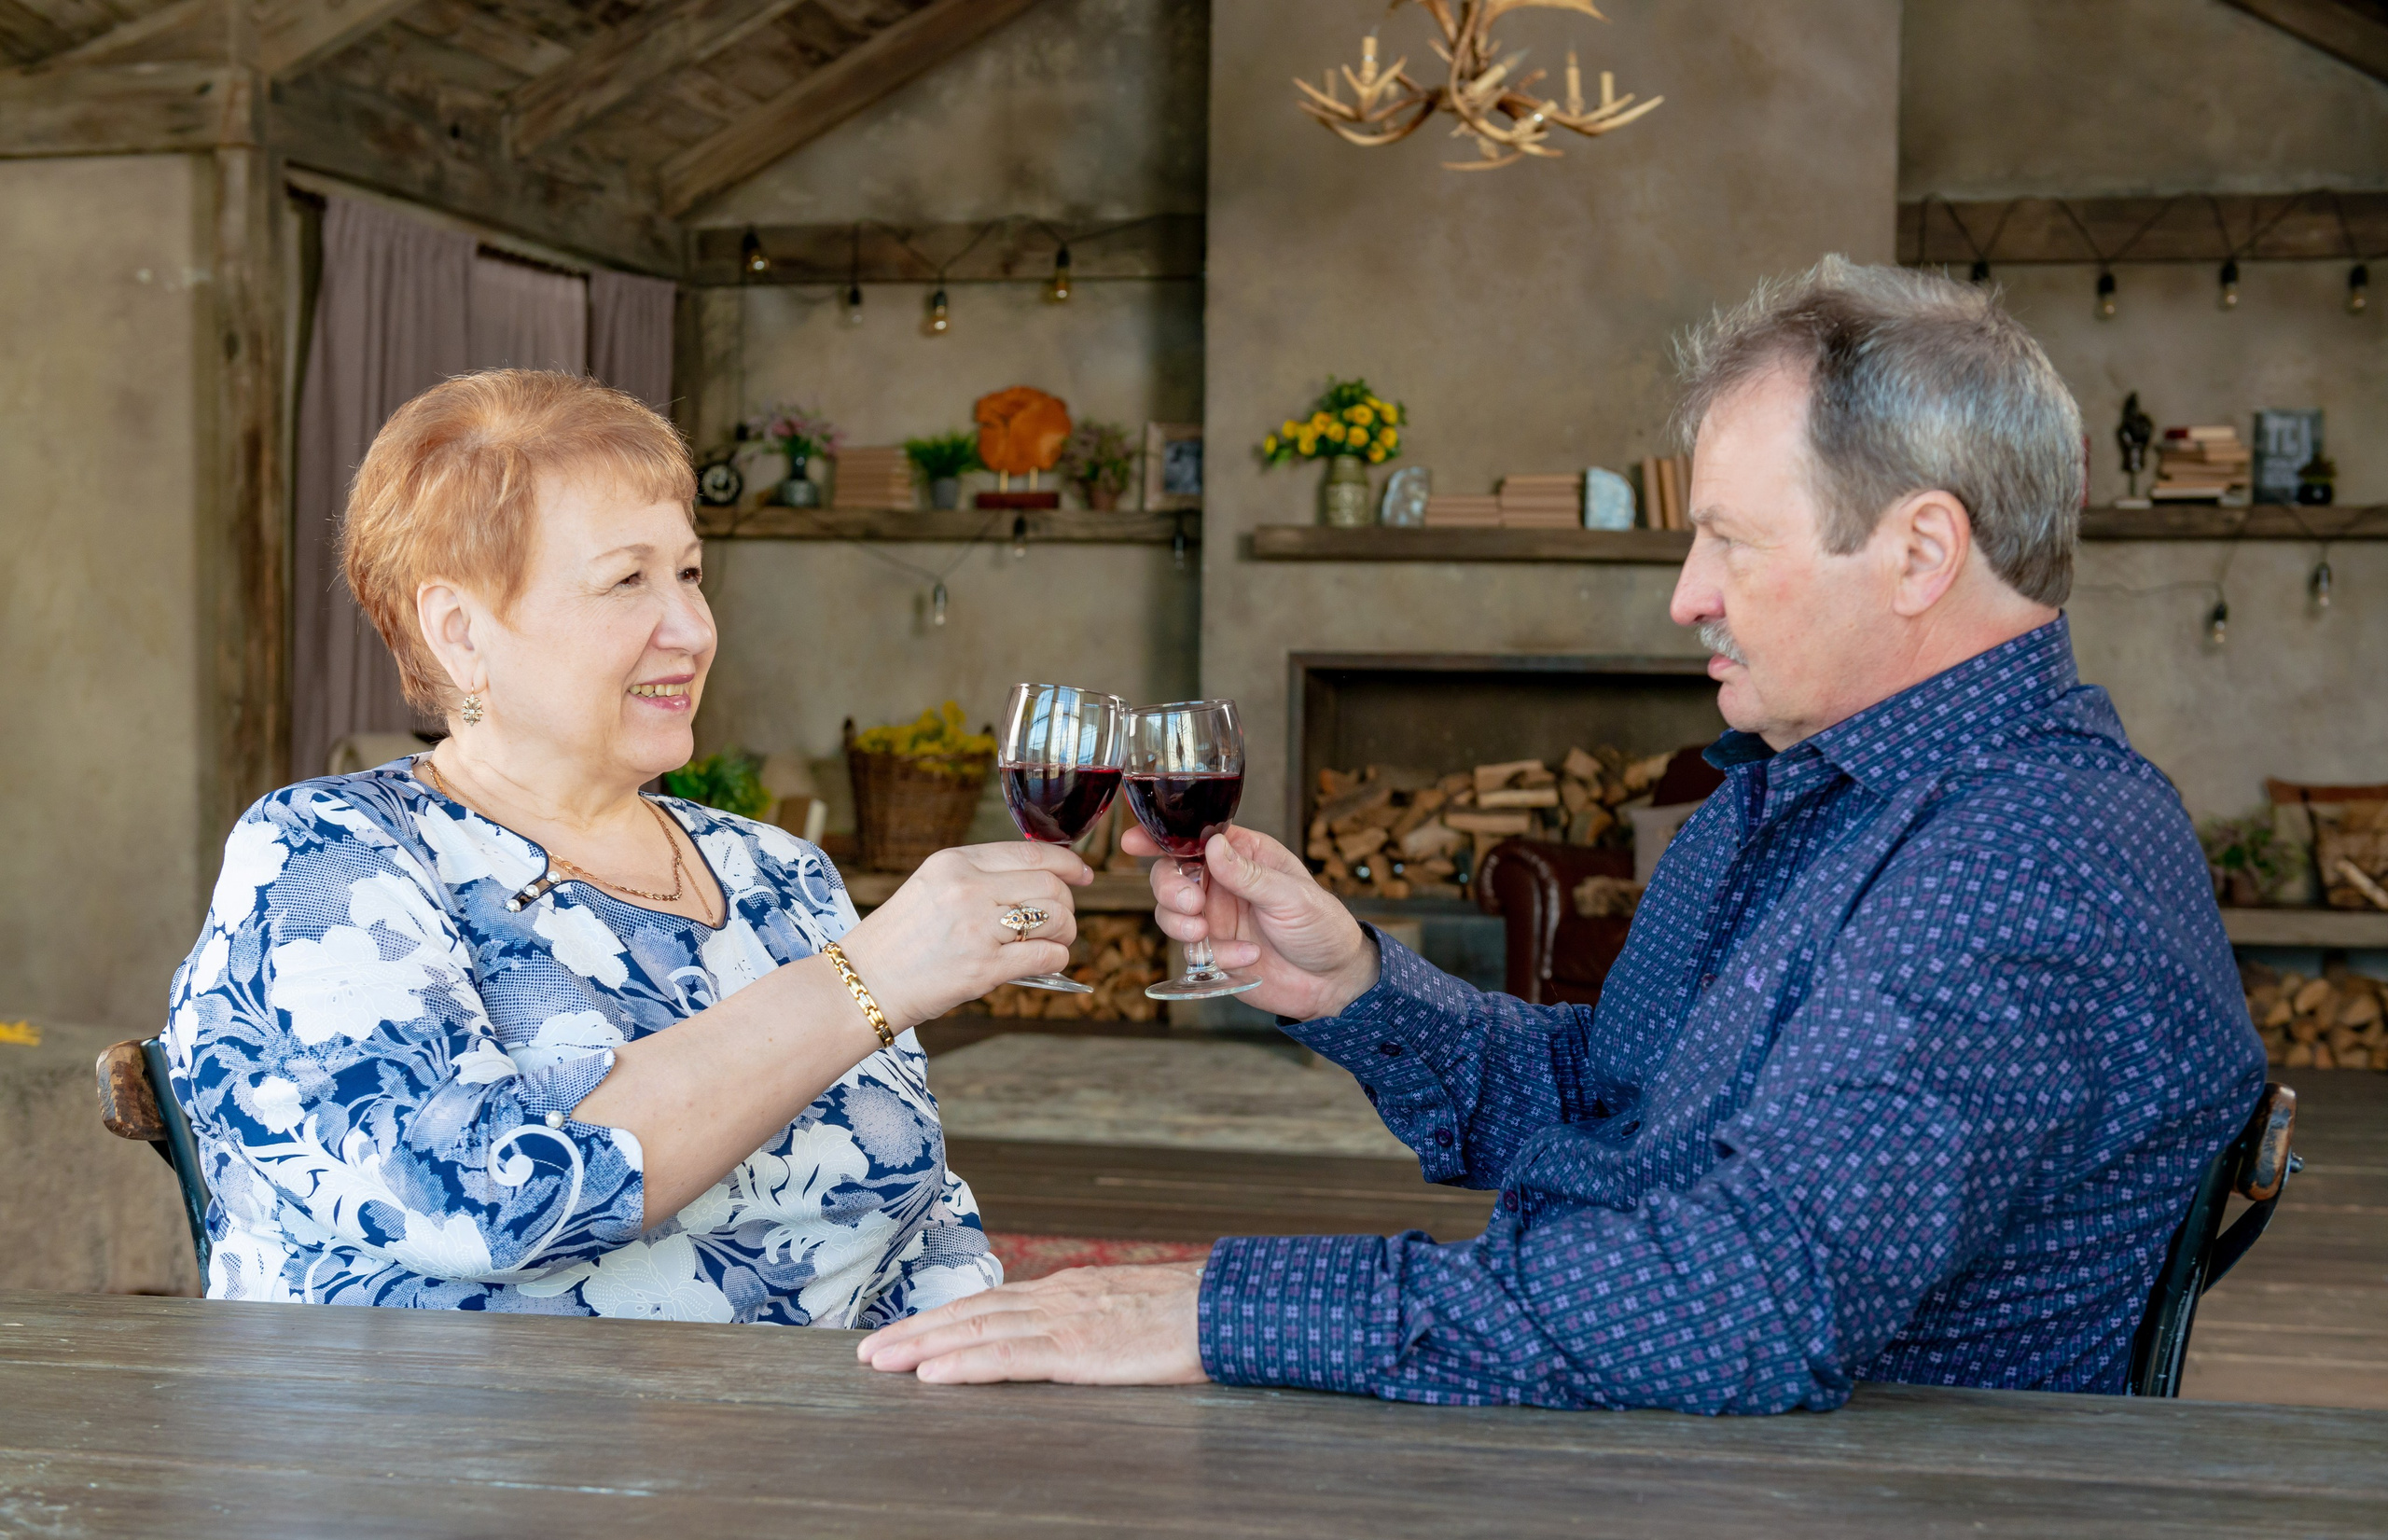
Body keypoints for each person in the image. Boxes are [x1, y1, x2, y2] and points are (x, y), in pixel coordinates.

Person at [856, 258, 2270, 1410]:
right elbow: (1613, 1103)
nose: (1685, 595)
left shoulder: (2031, 852)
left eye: (1731, 541)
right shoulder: (1807, 795)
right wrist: (1351, 985)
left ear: (1918, 552)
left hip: (1835, 1514)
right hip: (1676, 1449)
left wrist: (1217, 1311)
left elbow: (1746, 1304)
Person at [169, 369, 1089, 1323]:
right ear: (460, 632)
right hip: (452, 1421)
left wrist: (976, 1365)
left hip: (827, 1415)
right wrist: (867, 977)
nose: (692, 629)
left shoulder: (778, 874)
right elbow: (481, 1197)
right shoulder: (329, 858)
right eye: (626, 581)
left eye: (689, 573)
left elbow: (924, 1220)